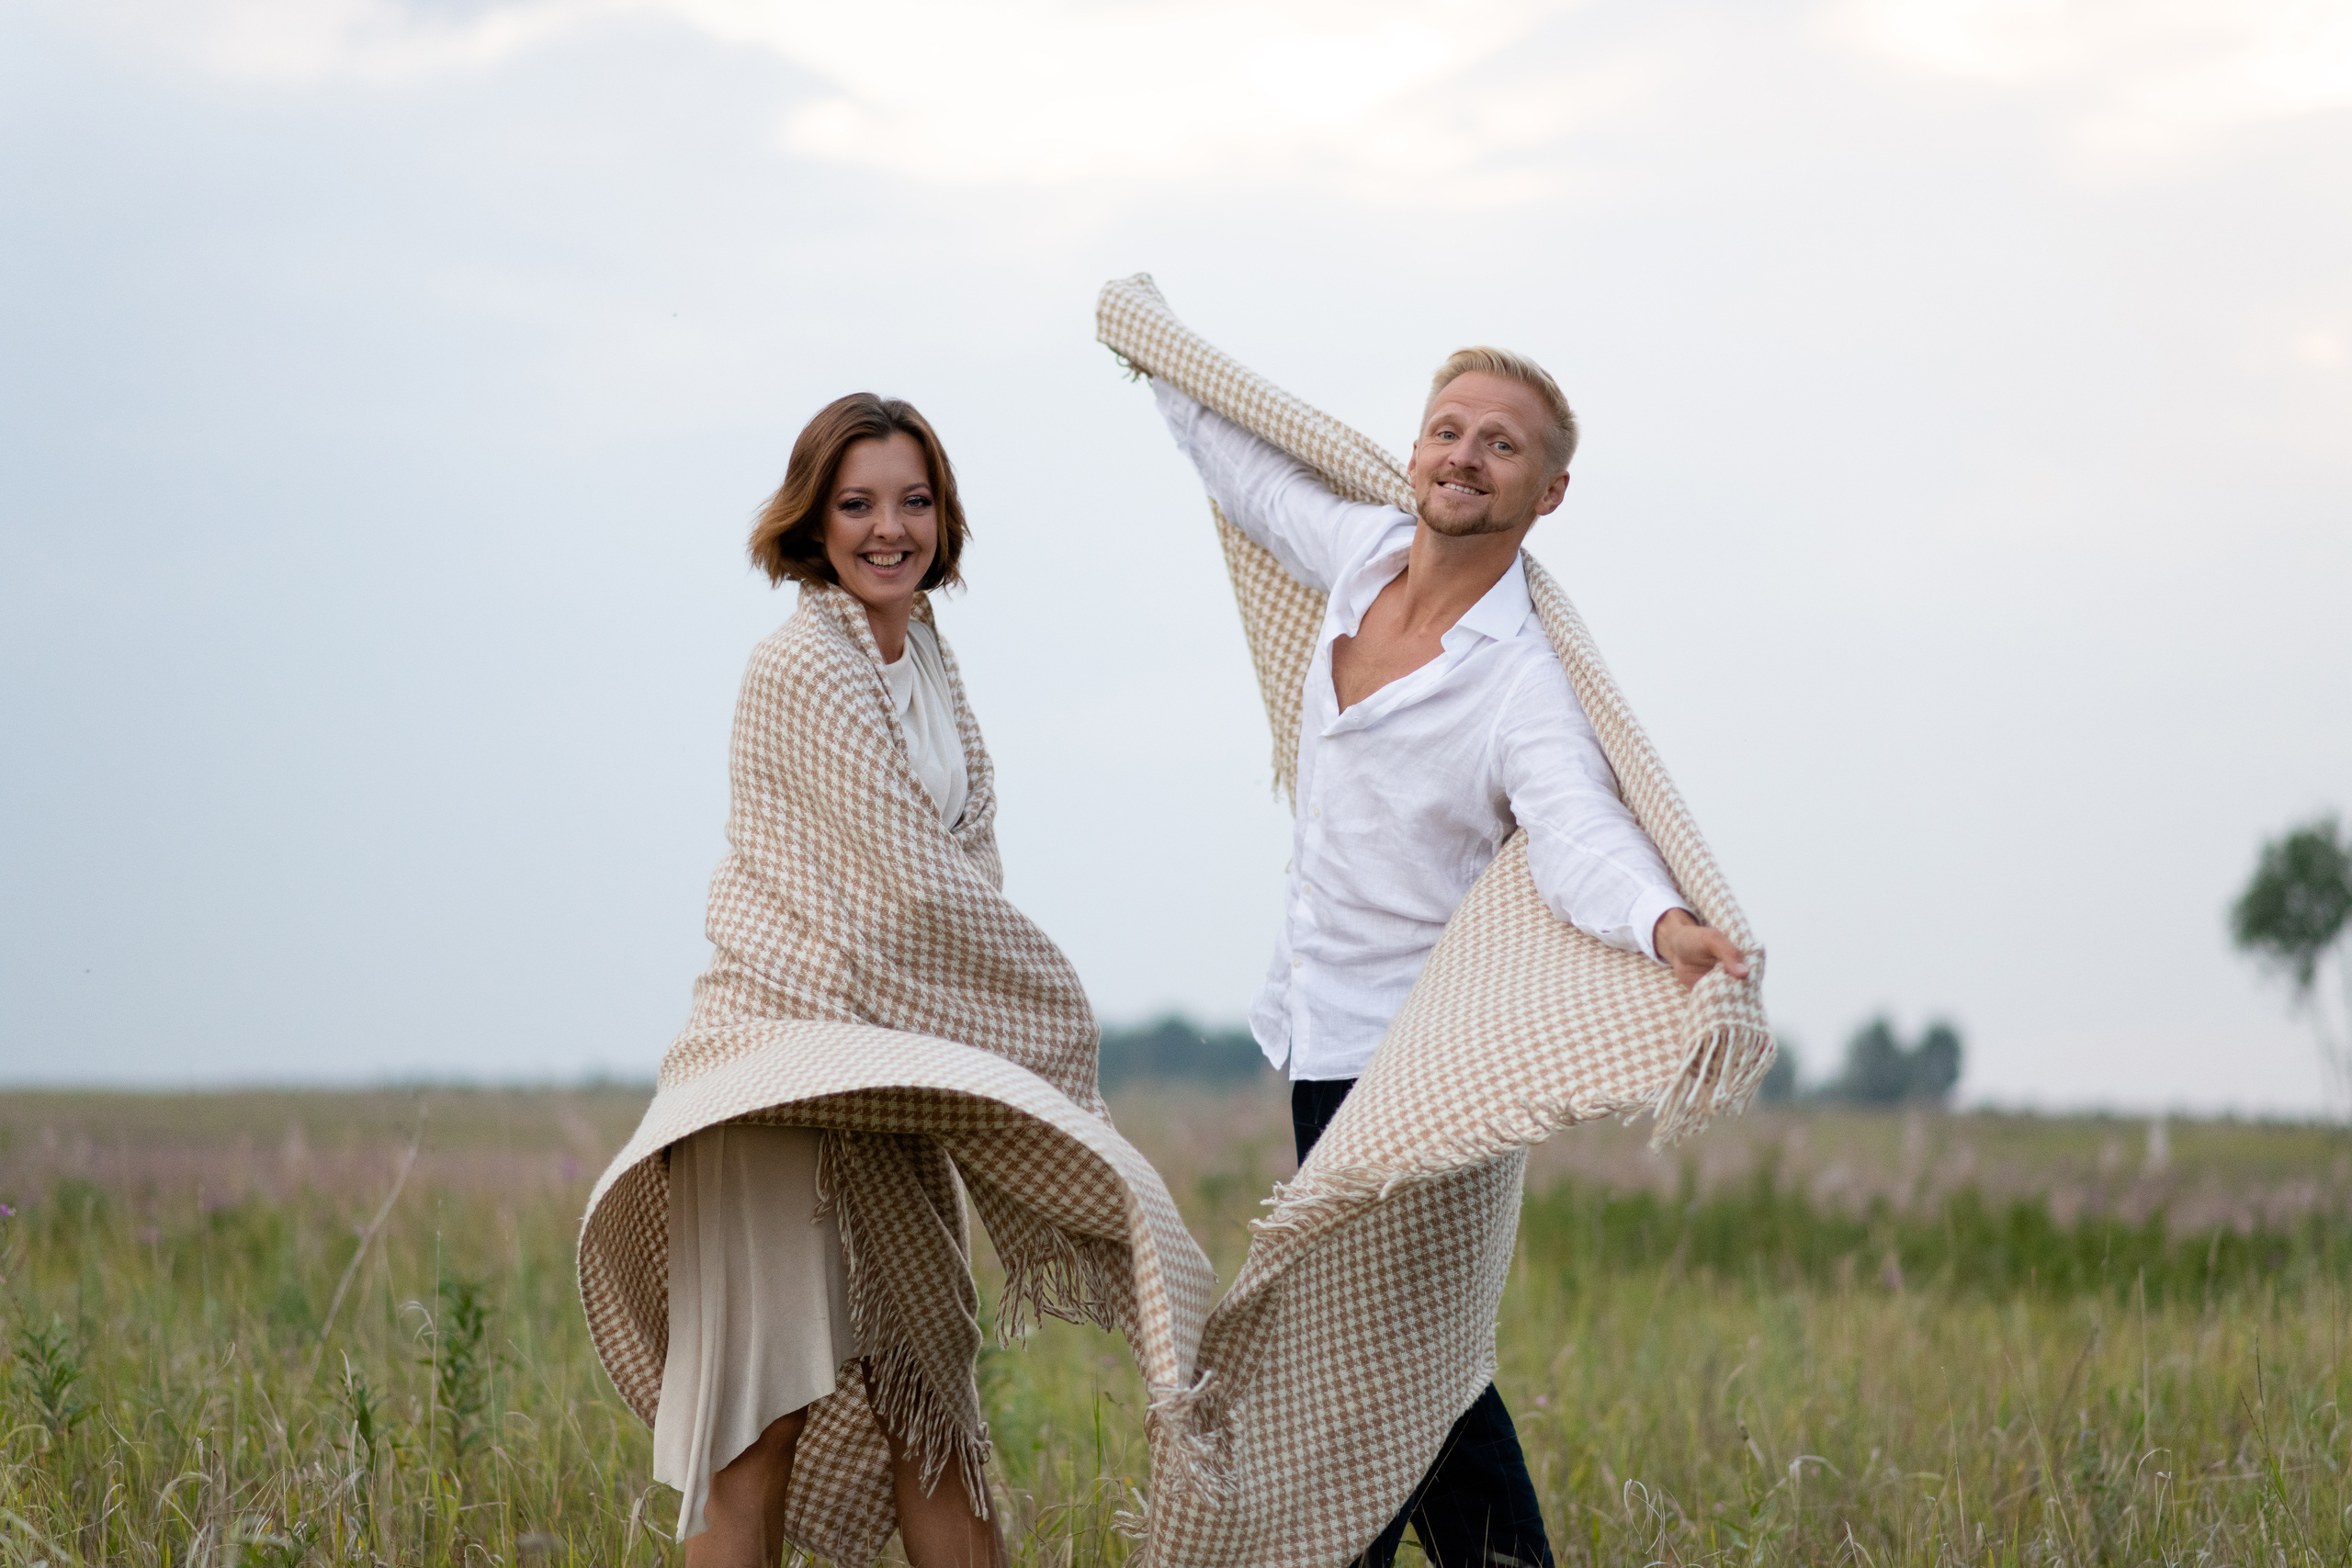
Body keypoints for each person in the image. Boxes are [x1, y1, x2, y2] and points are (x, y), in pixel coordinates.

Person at [1151, 349, 1750, 1568]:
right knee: (1387, 1361)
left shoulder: (1520, 681)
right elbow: (1249, 476)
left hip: (1431, 1065)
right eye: (1448, 429)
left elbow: (1578, 831)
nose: (1466, 455)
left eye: (1502, 444)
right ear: (1417, 448)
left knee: (1402, 1360)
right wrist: (1154, 355)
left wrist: (1665, 924)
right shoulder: (1359, 553)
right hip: (1322, 1037)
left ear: (1550, 493)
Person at [655, 393, 997, 1568]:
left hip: (884, 1073)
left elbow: (971, 872)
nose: (888, 528)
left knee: (932, 1403)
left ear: (944, 517)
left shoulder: (925, 660)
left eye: (913, 501)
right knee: (760, 1428)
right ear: (813, 520)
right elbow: (906, 892)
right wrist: (1046, 1023)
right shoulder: (802, 661)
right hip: (772, 1072)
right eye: (857, 504)